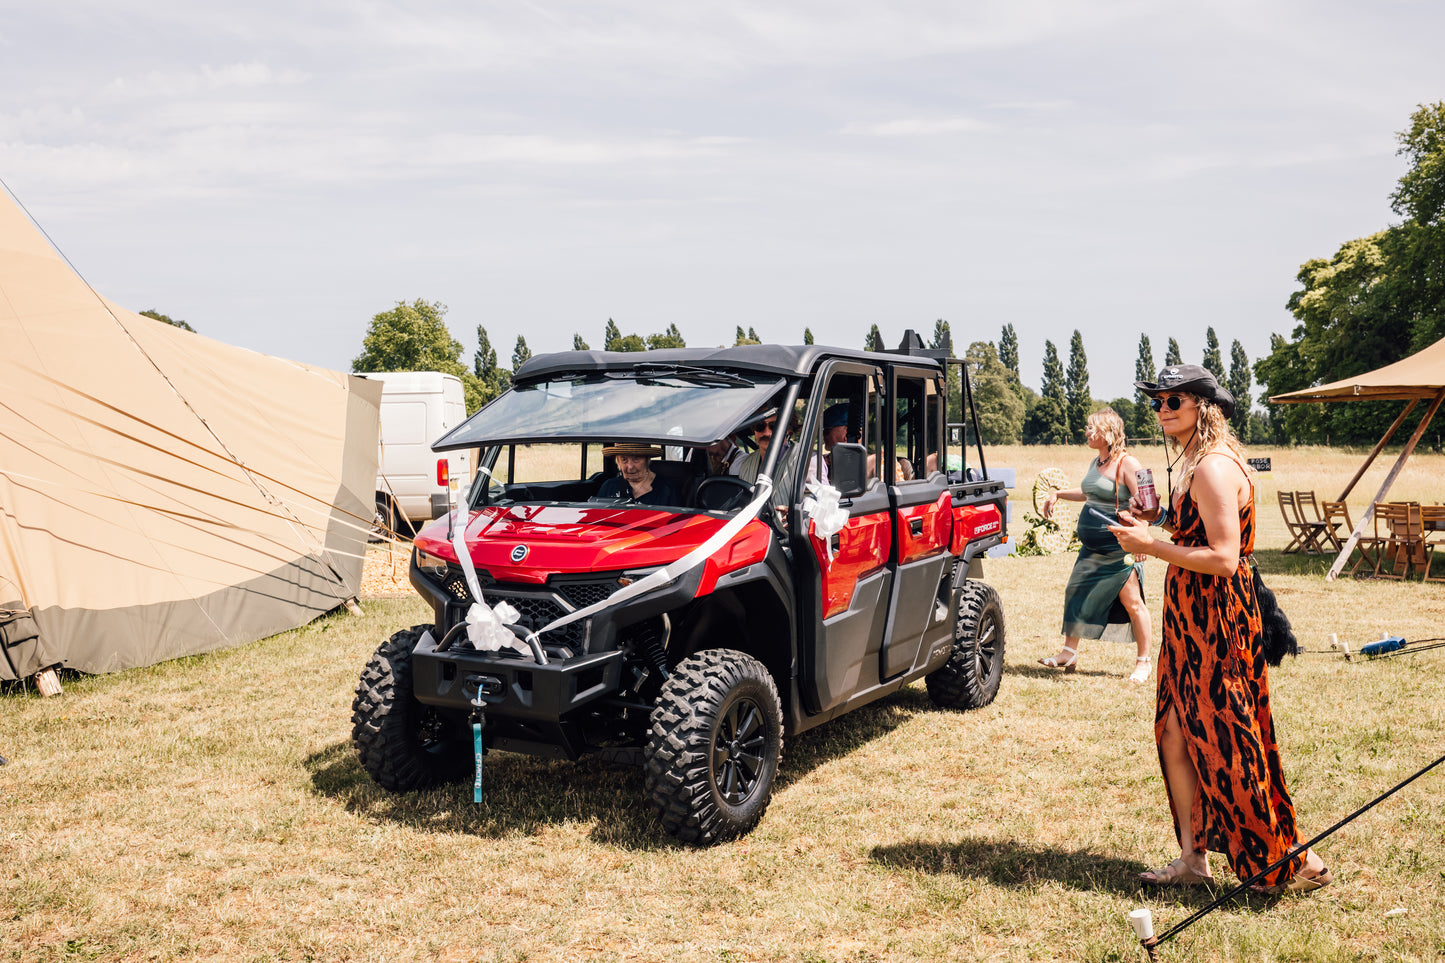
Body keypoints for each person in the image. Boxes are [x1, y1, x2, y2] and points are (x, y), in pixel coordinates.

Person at [1110, 364, 1330, 893]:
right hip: (1191, 618)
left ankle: (1285, 861)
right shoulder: (1196, 462)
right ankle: (1193, 858)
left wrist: (1149, 546)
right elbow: (1200, 533)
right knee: (1174, 733)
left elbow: (1226, 558)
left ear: (1203, 407)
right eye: (1157, 402)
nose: (1162, 409)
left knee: (1228, 741)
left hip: (1217, 620)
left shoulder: (1211, 466)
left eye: (1174, 400)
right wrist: (1160, 522)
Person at [1037, 408, 1153, 683]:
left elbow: (1147, 504)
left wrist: (1142, 539)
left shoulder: (1128, 463)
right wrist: (1058, 494)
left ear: (1108, 433)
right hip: (1091, 549)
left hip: (1118, 549)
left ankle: (1144, 662)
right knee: (1075, 592)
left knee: (1132, 603)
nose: (1087, 432)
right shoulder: (1096, 462)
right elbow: (1089, 493)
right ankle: (1069, 653)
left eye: (1093, 428)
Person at [595, 443, 681, 506]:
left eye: (636, 459)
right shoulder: (609, 486)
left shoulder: (667, 489)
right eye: (624, 459)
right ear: (618, 463)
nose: (630, 466)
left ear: (647, 460)